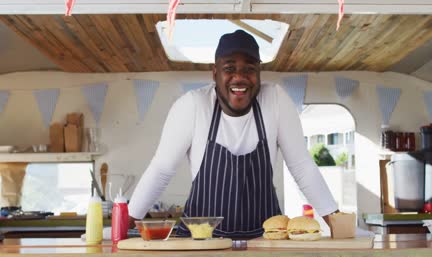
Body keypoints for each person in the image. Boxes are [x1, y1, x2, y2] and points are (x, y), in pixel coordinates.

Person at [128, 29, 338, 238]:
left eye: (249, 68)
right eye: (229, 68)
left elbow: (302, 167)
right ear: (214, 72)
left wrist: (338, 224)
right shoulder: (193, 106)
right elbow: (161, 170)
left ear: (258, 73)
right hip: (202, 244)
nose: (239, 77)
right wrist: (122, 228)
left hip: (263, 243)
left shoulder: (275, 100)